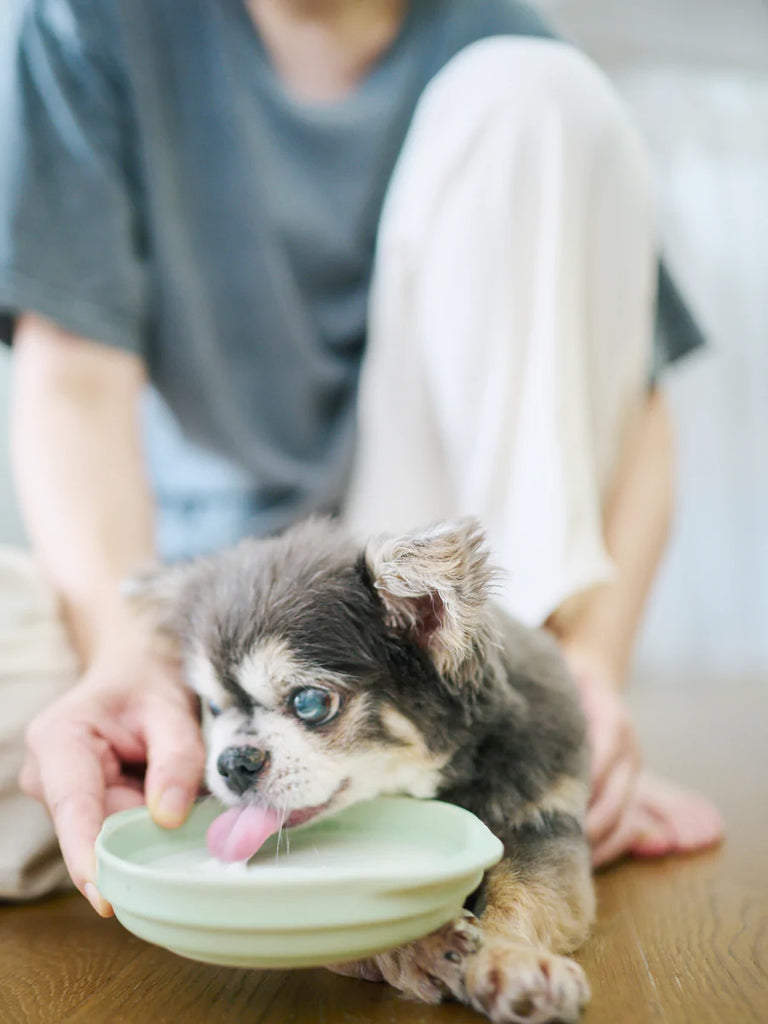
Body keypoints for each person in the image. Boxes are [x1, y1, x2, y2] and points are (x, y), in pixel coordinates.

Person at [0, 0, 723, 915]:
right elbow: (72, 383)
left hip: (421, 589)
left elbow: (633, 404)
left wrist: (586, 684)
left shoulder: (503, 46)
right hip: (190, 603)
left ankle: (502, 760)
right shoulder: (90, 22)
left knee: (534, 95)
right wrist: (123, 654)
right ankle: (424, 800)